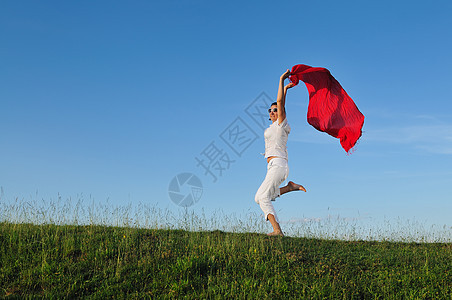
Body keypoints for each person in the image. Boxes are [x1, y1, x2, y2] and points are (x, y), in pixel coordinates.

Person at [255, 69, 306, 236]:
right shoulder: (272, 127)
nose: (272, 112)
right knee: (259, 197)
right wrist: (285, 91)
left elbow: (280, 103)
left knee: (263, 198)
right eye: (270, 111)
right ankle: (290, 188)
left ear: (281, 114)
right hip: (273, 166)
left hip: (279, 164)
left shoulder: (281, 125)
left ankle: (277, 230)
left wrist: (281, 81)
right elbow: (279, 103)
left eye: (275, 110)